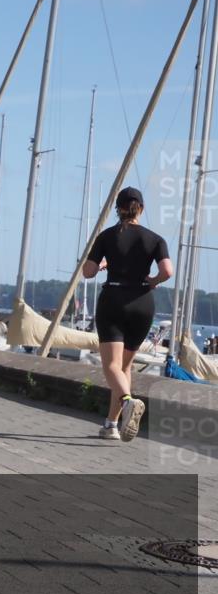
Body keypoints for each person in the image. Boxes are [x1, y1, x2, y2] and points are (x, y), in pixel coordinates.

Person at [82, 187, 172, 442]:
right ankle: (111, 424)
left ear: (118, 209)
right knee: (124, 367)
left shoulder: (107, 236)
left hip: (114, 300)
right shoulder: (155, 239)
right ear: (140, 209)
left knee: (110, 365)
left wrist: (101, 264)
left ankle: (128, 402)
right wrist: (153, 281)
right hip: (143, 303)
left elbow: (87, 272)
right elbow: (168, 271)